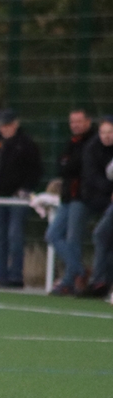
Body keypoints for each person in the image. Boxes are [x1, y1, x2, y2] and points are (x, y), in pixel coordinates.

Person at [0, 108, 42, 288]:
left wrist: (25, 189)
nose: (4, 129)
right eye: (1, 125)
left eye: (7, 125)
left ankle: (15, 277)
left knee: (14, 236)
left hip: (18, 198)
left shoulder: (26, 144)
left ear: (16, 124)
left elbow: (35, 170)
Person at [46, 108, 98, 295]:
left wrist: (68, 166)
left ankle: (69, 281)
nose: (75, 125)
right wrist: (67, 166)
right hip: (68, 196)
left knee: (73, 239)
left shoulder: (93, 142)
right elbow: (61, 166)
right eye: (72, 122)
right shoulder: (72, 142)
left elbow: (76, 166)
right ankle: (80, 271)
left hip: (82, 197)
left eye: (78, 121)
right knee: (52, 235)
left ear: (88, 122)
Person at [79, 116, 113, 297]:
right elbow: (92, 176)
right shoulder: (93, 148)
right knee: (102, 235)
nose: (106, 136)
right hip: (100, 200)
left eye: (110, 132)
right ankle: (100, 282)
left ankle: (100, 281)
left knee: (101, 234)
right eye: (103, 132)